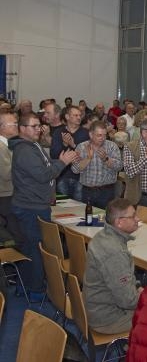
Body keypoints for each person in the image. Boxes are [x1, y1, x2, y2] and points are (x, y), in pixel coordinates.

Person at [10, 113, 78, 299]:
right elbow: (42, 175)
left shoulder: (33, 146)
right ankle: (35, 290)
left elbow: (44, 170)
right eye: (33, 126)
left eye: (39, 125)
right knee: (35, 249)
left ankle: (26, 286)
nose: (38, 129)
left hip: (35, 204)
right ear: (22, 129)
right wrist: (62, 163)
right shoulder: (24, 150)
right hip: (30, 207)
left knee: (31, 248)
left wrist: (58, 162)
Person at [83, 198, 143, 334]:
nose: (137, 219)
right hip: (109, 318)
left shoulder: (102, 236)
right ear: (119, 222)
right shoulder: (114, 252)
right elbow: (128, 301)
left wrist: (138, 289)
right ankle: (136, 351)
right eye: (133, 216)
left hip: (96, 307)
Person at [72, 121, 122, 209]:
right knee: (88, 219)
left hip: (107, 191)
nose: (102, 138)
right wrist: (88, 158)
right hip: (88, 191)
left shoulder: (112, 146)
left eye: (104, 135)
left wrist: (106, 159)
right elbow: (75, 170)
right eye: (99, 135)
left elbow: (119, 167)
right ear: (91, 135)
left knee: (106, 220)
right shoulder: (82, 147)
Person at [50, 106, 90, 200]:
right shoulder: (58, 132)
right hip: (63, 175)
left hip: (81, 177)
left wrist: (73, 145)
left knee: (80, 207)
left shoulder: (86, 133)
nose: (79, 117)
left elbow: (87, 155)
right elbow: (54, 155)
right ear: (67, 117)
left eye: (80, 115)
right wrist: (64, 144)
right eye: (75, 115)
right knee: (63, 207)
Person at [0, 113, 20, 243]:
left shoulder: (8, 144)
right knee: (14, 233)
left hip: (8, 193)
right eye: (14, 124)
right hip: (5, 195)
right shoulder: (1, 147)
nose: (17, 126)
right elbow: (7, 174)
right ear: (2, 127)